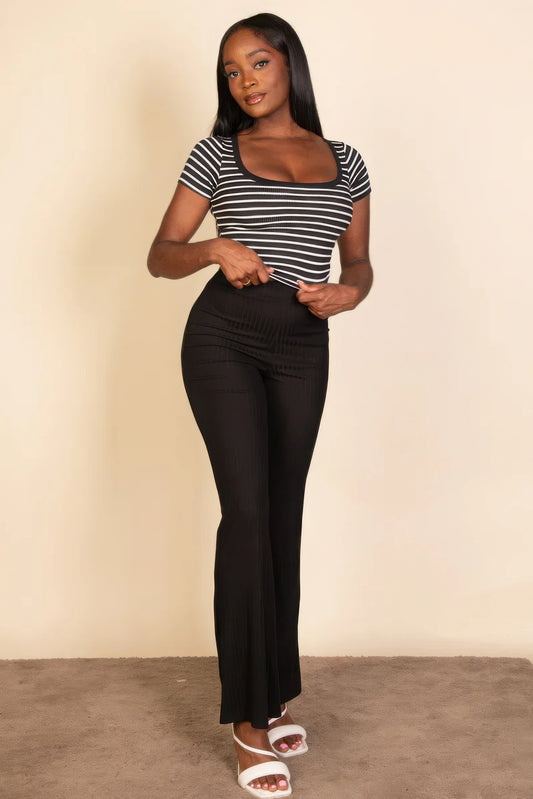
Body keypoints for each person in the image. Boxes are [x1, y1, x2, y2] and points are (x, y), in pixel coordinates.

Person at [147, 12, 372, 796]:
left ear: (288, 63)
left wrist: (348, 293)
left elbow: (358, 261)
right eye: (230, 71)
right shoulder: (216, 154)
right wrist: (213, 247)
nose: (243, 80)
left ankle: (274, 693)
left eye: (256, 63)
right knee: (245, 514)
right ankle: (247, 719)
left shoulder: (346, 162)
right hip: (224, 339)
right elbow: (160, 255)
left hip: (303, 346)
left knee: (282, 515)